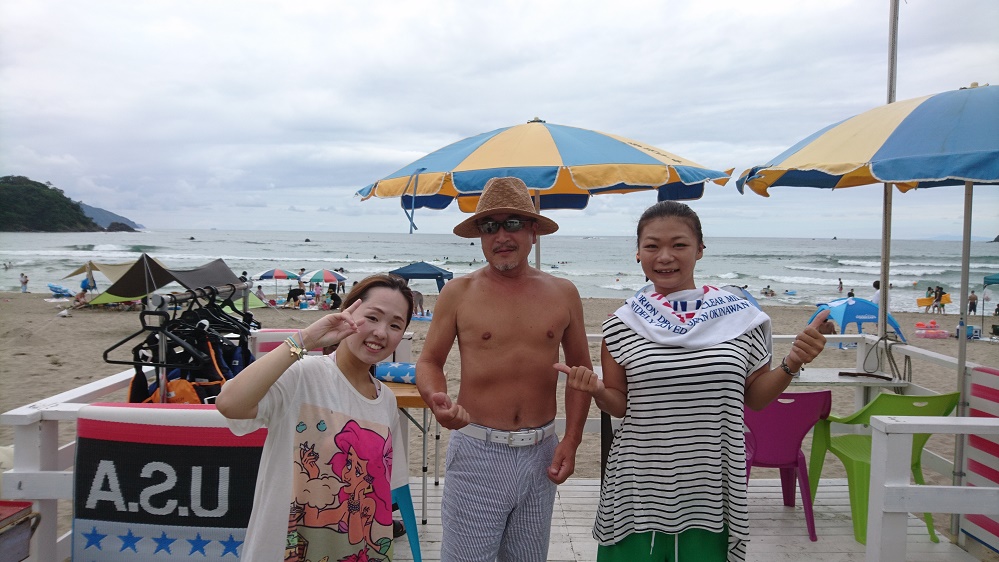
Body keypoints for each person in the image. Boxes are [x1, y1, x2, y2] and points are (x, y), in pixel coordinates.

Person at [556, 201, 828, 562]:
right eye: (652, 246)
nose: (665, 256)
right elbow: (619, 404)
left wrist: (793, 362)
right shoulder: (623, 323)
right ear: (638, 253)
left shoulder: (742, 319)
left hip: (710, 487)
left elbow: (756, 398)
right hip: (639, 485)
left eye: (679, 244)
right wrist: (597, 391)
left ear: (699, 249)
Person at [416, 177, 592, 562]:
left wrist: (572, 439)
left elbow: (580, 371)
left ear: (533, 231)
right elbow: (429, 361)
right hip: (477, 451)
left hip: (541, 451)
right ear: (480, 236)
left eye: (513, 223)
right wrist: (436, 398)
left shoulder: (563, 293)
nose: (501, 236)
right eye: (489, 226)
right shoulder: (458, 293)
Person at [217, 274, 415, 562]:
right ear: (347, 313)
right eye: (372, 317)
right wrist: (305, 340)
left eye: (395, 325)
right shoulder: (303, 374)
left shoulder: (385, 400)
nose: (381, 333)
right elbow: (230, 403)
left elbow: (381, 494)